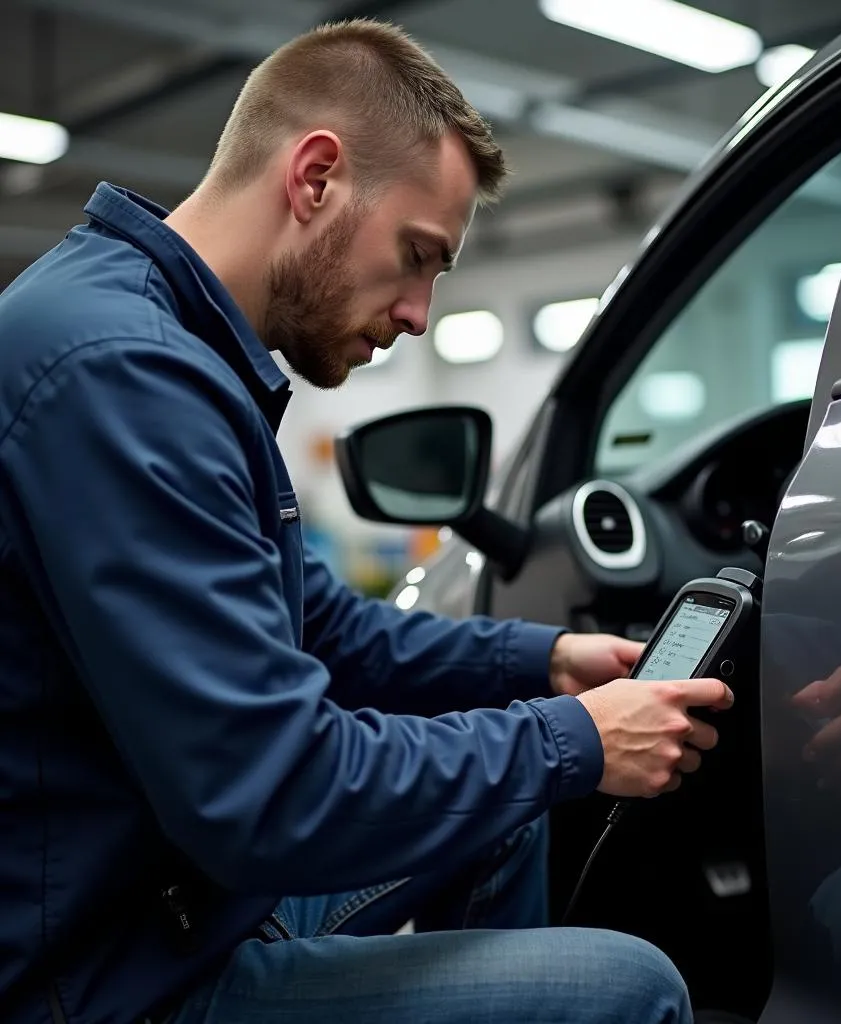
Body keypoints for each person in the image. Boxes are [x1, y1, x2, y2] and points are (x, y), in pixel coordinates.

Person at [0, 19, 734, 1024]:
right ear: (315, 179)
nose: (422, 314)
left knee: (503, 815)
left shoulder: (164, 346)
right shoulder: (123, 377)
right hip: (104, 980)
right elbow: (274, 796)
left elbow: (323, 628)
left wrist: (544, 662)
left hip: (168, 904)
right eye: (417, 256)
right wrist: (570, 742)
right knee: (633, 987)